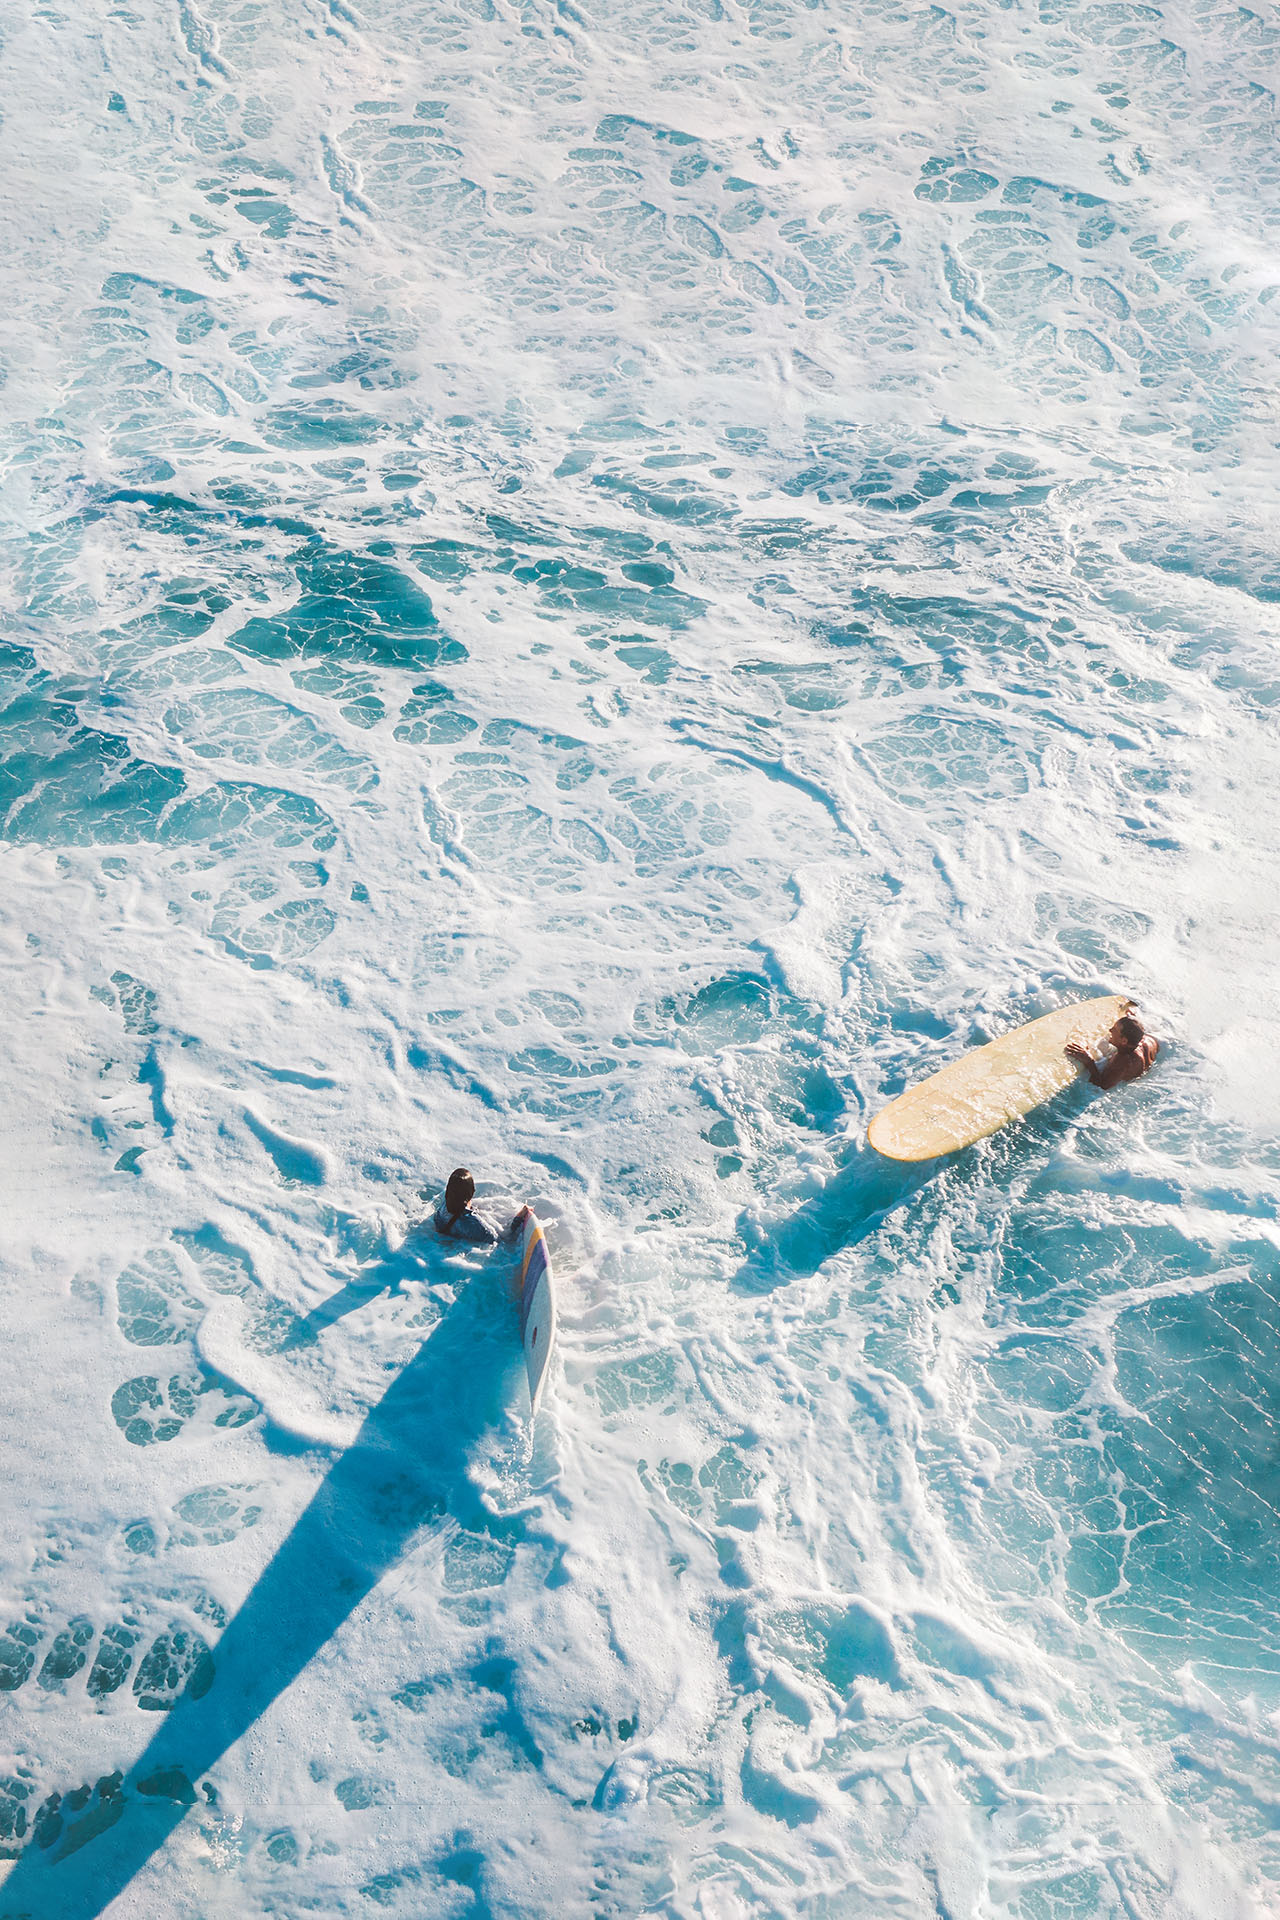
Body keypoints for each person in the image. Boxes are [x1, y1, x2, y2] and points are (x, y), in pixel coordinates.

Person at [432, 1167, 526, 1247]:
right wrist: (519, 1218)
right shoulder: (474, 1223)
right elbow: (501, 1240)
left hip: (444, 1244)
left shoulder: (443, 1207)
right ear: (472, 1191)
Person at [1065, 1013, 1158, 1090]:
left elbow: (1101, 1086)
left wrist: (1089, 1061)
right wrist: (1131, 1021)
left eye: (1115, 1029)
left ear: (1124, 1041)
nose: (1110, 1030)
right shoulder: (1147, 1041)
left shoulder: (1123, 1061)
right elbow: (1137, 1030)